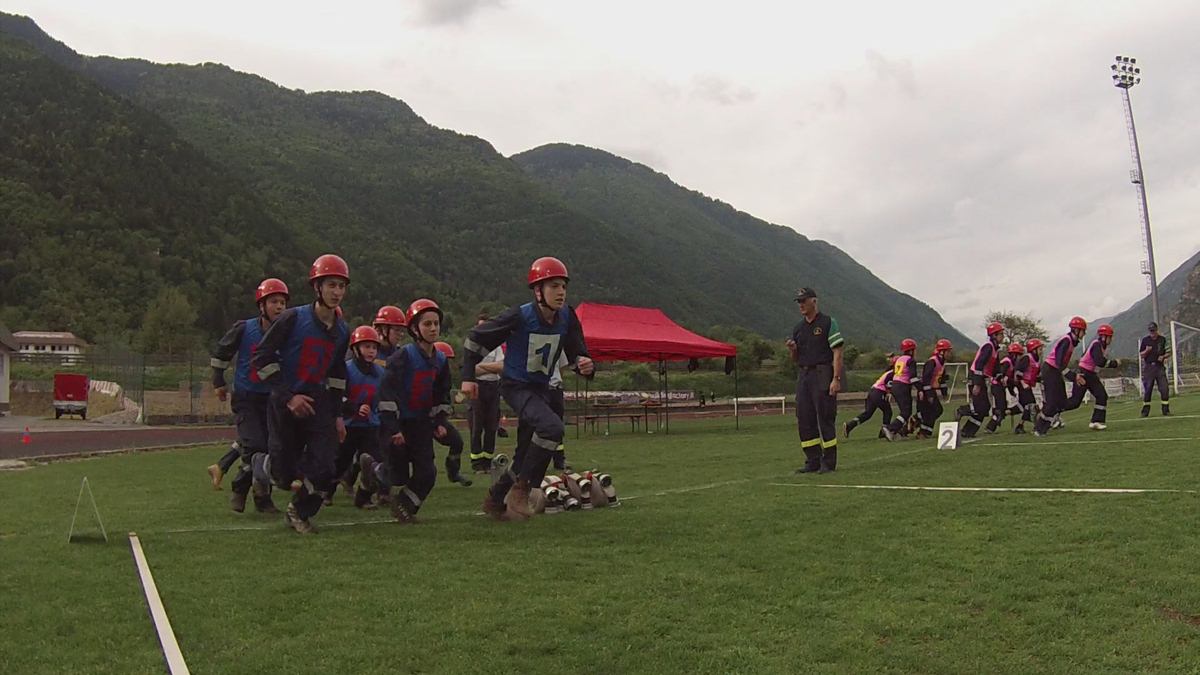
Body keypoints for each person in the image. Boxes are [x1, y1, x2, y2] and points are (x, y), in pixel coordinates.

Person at [460, 256, 595, 521]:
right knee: (552, 428)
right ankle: (522, 489)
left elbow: (577, 352)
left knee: (524, 453)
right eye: (554, 286)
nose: (561, 292)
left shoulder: (567, 317)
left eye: (563, 286)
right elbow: (475, 339)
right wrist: (468, 377)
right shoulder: (519, 315)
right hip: (516, 386)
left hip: (542, 389)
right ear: (538, 291)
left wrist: (585, 366)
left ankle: (496, 499)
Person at [251, 254, 351, 534]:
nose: (337, 292)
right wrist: (288, 397)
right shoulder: (292, 318)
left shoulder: (343, 331)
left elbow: (337, 375)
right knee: (284, 476)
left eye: (341, 286)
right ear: (317, 287)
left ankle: (300, 511)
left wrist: (337, 415)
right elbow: (261, 358)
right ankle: (260, 465)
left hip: (318, 403)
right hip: (285, 401)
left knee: (326, 465)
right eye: (331, 285)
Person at [362, 299, 453, 523]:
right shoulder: (402, 357)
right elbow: (386, 394)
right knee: (397, 475)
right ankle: (373, 469)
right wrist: (394, 429)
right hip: (398, 424)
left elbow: (441, 395)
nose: (433, 328)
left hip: (421, 424)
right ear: (414, 329)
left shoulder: (441, 360)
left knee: (427, 473)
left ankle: (404, 506)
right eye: (427, 324)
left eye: (436, 323)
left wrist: (440, 422)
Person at [208, 278, 289, 513]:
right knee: (256, 446)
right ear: (261, 305)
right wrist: (218, 381)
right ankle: (243, 490)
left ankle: (259, 496)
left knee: (271, 449)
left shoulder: (287, 333)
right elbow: (221, 352)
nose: (279, 307)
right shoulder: (244, 328)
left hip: (272, 398)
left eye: (282, 302)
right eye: (274, 302)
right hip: (247, 397)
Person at [786, 287, 844, 474]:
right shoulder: (798, 328)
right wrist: (793, 350)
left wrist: (836, 379)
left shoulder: (828, 322)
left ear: (814, 301)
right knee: (804, 417)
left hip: (822, 373)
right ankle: (812, 460)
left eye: (804, 301)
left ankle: (829, 462)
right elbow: (795, 359)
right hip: (804, 375)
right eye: (799, 302)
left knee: (825, 416)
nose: (801, 305)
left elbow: (837, 352)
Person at [334, 326, 385, 509]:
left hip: (370, 425)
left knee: (374, 461)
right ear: (355, 349)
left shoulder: (380, 373)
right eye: (366, 347)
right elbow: (336, 396)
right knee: (340, 462)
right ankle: (324, 492)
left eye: (374, 347)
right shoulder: (345, 369)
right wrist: (354, 407)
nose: (371, 351)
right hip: (348, 425)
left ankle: (364, 497)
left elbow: (383, 398)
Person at [1033, 316, 1088, 436]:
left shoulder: (1071, 341)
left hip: (1055, 371)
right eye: (1083, 331)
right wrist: (1073, 376)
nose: (1084, 334)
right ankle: (1040, 428)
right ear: (1076, 330)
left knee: (1062, 402)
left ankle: (1042, 424)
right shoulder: (1067, 340)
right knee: (1053, 402)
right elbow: (1059, 362)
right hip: (1050, 370)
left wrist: (1072, 376)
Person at [1065, 324, 1120, 430]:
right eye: (1110, 337)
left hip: (1089, 374)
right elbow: (1100, 362)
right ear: (1104, 337)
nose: (1111, 339)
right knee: (1075, 402)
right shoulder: (1096, 345)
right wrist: (1115, 363)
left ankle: (1096, 421)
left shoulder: (1100, 346)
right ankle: (1052, 411)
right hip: (1085, 373)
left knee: (1101, 396)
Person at [468, 312, 504, 473]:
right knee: (476, 427)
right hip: (477, 387)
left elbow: (502, 367)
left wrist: (481, 367)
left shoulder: (496, 346)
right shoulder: (472, 346)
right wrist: (490, 368)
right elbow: (471, 369)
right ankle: (476, 463)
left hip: (493, 387)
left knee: (491, 426)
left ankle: (488, 462)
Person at [433, 341, 473, 487]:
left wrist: (440, 422)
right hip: (420, 420)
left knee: (457, 442)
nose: (447, 365)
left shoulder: (445, 378)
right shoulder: (425, 375)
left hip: (437, 419)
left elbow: (444, 401)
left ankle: (453, 473)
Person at [958, 322, 1004, 438]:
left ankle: (967, 431)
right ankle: (962, 410)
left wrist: (1000, 377)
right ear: (994, 335)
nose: (1003, 336)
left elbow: (995, 367)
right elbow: (979, 364)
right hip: (976, 377)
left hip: (981, 378)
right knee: (980, 406)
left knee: (984, 408)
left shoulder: (994, 349)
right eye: (1001, 334)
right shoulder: (988, 347)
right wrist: (977, 384)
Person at [844, 354, 894, 439]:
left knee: (868, 414)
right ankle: (884, 431)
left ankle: (850, 425)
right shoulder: (892, 373)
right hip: (879, 392)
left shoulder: (888, 372)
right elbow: (888, 385)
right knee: (888, 411)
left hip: (872, 392)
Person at [916, 339, 953, 438]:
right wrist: (929, 394)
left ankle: (924, 431)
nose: (950, 353)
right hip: (925, 391)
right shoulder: (932, 361)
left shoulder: (942, 362)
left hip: (930, 390)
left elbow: (941, 380)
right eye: (948, 351)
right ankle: (921, 430)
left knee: (934, 411)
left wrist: (944, 393)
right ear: (942, 352)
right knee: (934, 410)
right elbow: (926, 379)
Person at [984, 343, 1023, 433]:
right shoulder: (1007, 362)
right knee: (1001, 408)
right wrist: (1003, 378)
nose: (1019, 358)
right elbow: (1000, 374)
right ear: (1014, 354)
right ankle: (990, 427)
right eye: (1018, 355)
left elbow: (1008, 381)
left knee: (1002, 409)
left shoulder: (1012, 363)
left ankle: (990, 427)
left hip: (1000, 387)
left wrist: (1012, 391)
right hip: (996, 386)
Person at [884, 339, 917, 441]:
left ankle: (897, 431)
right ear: (911, 350)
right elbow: (913, 377)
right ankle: (891, 429)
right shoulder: (911, 360)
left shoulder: (899, 359)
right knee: (906, 412)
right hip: (903, 386)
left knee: (905, 411)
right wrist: (920, 388)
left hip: (895, 385)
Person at [1139, 321, 1171, 417]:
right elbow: (1141, 354)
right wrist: (1146, 351)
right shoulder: (1145, 340)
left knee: (1164, 388)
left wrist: (1163, 356)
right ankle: (1145, 411)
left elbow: (1169, 352)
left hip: (1159, 367)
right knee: (1148, 389)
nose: (1152, 333)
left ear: (1157, 330)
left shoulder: (1162, 340)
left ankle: (1165, 410)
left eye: (1153, 330)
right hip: (1149, 367)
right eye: (1151, 331)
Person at [1013, 338, 1043, 434]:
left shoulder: (1037, 361)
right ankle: (1037, 426)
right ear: (1034, 350)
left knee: (1028, 407)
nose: (1041, 351)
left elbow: (1036, 375)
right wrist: (1023, 383)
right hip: (1022, 386)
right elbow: (1018, 372)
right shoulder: (1027, 358)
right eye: (1040, 349)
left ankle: (1020, 426)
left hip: (1028, 386)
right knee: (1032, 406)